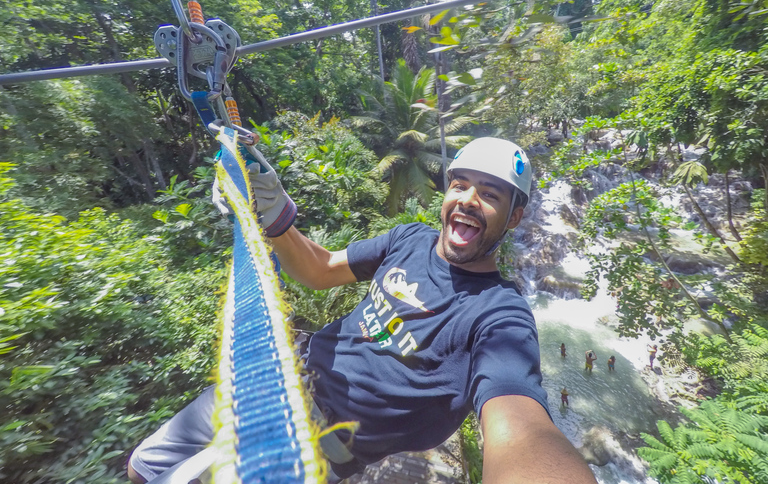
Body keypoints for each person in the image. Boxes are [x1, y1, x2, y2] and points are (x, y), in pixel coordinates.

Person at [127, 137, 597, 484]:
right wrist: (275, 218)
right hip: (275, 376)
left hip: (307, 444)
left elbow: (520, 426)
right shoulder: (408, 238)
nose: (468, 200)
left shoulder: (500, 315)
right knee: (143, 467)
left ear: (514, 217)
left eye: (491, 194)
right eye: (460, 185)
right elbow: (320, 269)